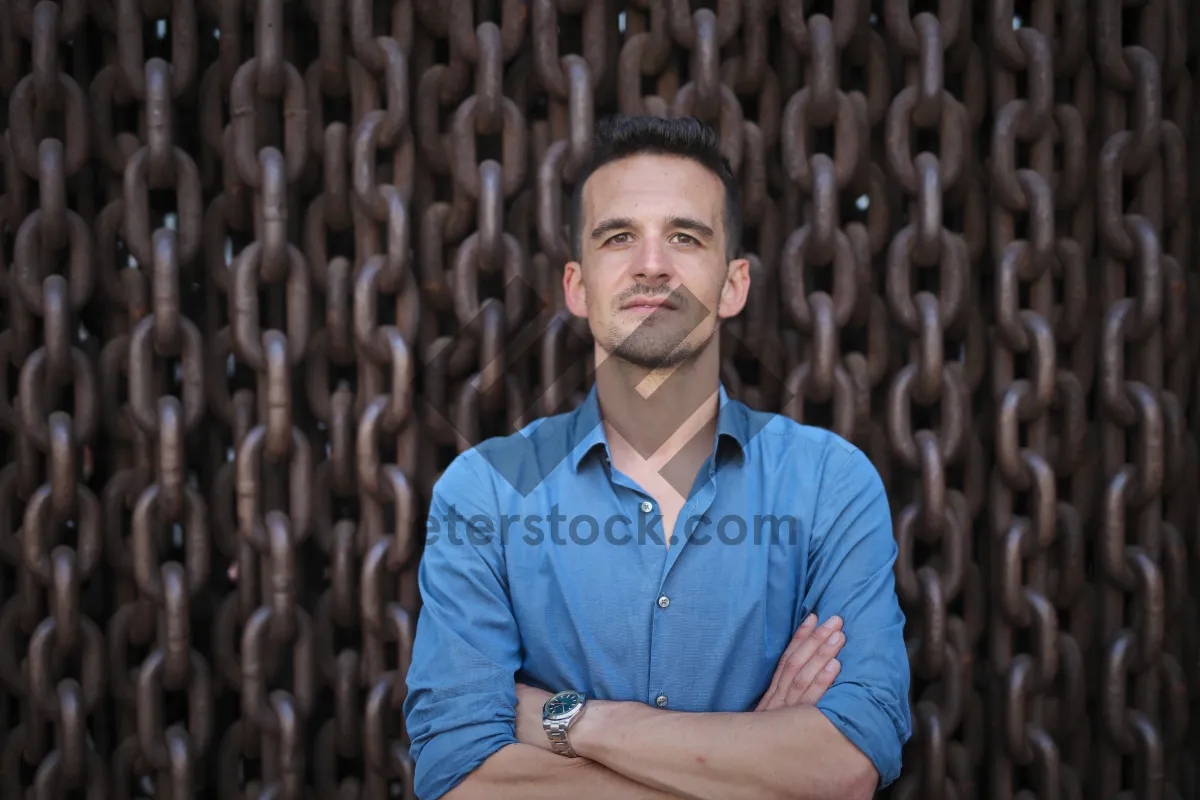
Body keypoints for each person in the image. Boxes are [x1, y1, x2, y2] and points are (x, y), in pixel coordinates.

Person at [403, 115, 911, 799]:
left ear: (734, 285)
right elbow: (458, 778)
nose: (651, 264)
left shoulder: (828, 483)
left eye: (684, 237)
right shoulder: (488, 490)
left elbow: (848, 763)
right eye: (619, 237)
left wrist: (573, 721)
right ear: (576, 287)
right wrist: (752, 771)